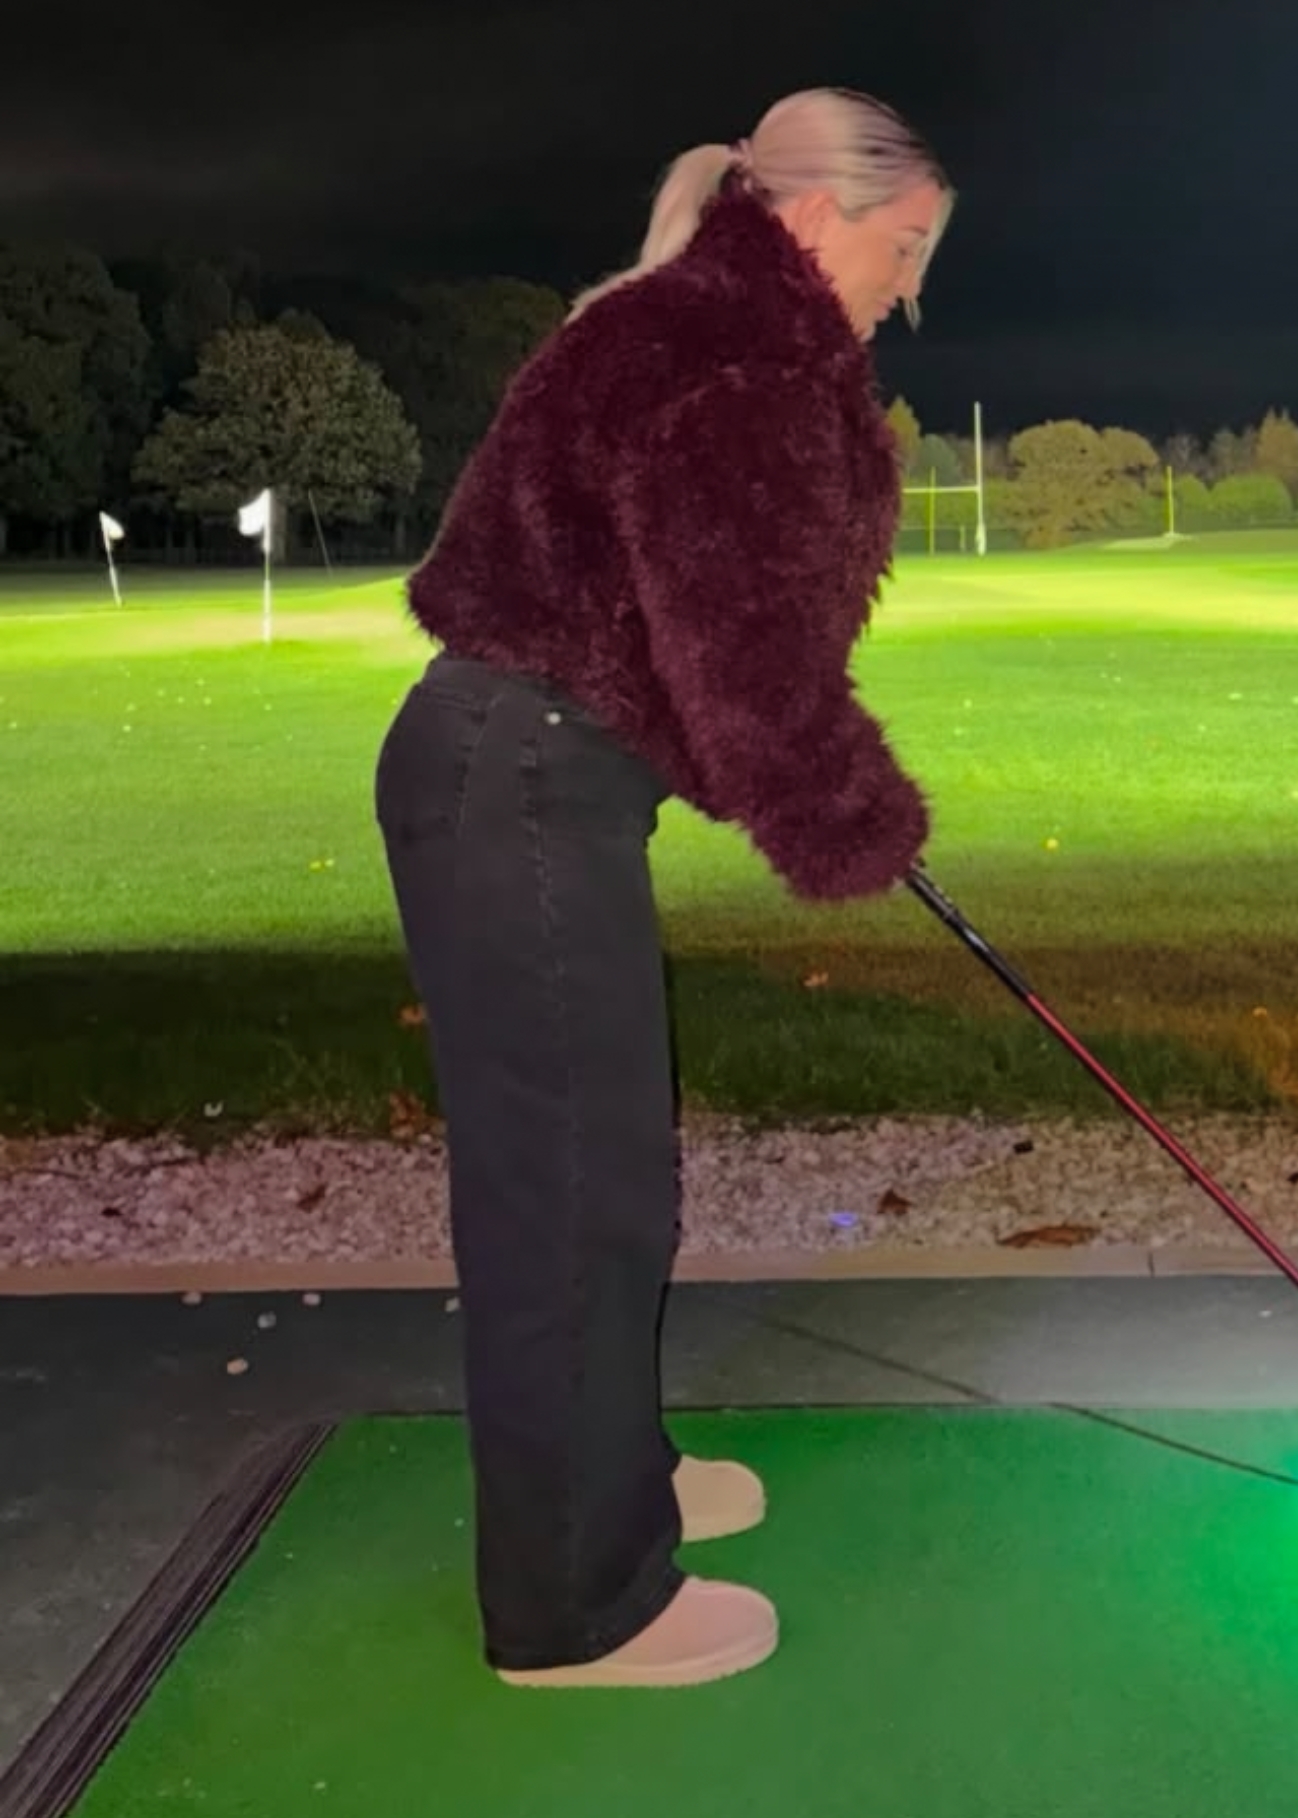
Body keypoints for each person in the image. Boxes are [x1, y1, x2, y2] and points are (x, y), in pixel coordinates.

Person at [373, 88, 954, 1690]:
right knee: (570, 1193)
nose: (908, 289)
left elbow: (676, 639)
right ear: (823, 214)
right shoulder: (740, 357)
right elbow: (740, 646)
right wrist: (852, 818)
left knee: (607, 1171)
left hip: (520, 771)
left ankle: (613, 1472)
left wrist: (832, 802)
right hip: (518, 779)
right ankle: (574, 1608)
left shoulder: (694, 322)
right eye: (906, 248)